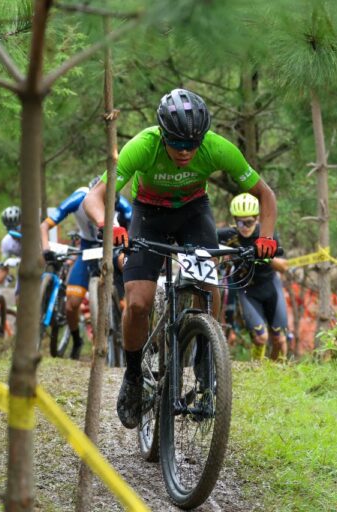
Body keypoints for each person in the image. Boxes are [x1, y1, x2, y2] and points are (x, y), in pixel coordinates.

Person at [83, 88, 279, 429]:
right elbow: (95, 196)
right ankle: (132, 375)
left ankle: (207, 359)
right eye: (177, 143)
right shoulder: (144, 145)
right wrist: (108, 224)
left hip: (193, 213)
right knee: (139, 302)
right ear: (162, 134)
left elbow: (266, 194)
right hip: (149, 214)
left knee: (209, 284)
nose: (186, 151)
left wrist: (266, 237)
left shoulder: (217, 147)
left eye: (193, 143)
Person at [39, 178, 131, 360]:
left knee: (126, 293)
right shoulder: (78, 198)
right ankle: (77, 340)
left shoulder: (121, 203)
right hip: (87, 247)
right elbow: (45, 226)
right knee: (72, 304)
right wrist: (46, 249)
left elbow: (134, 226)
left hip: (112, 245)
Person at [218, 193, 289, 361]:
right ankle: (258, 370)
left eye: (249, 221)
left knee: (279, 338)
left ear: (257, 219)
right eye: (239, 222)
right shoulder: (229, 235)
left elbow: (284, 267)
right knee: (260, 338)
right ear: (234, 220)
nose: (244, 226)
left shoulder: (266, 233)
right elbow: (205, 238)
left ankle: (277, 372)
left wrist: (263, 255)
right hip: (247, 290)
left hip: (270, 285)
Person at [0, 206, 21, 295]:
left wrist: (18, 260)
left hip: (40, 268)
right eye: (10, 229)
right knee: (18, 296)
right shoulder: (7, 242)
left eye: (16, 228)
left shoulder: (33, 235)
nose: (14, 233)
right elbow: (3, 269)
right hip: (24, 270)